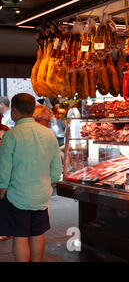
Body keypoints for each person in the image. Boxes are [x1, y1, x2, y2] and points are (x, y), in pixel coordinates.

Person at [0, 93, 62, 262]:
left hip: (16, 196)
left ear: (14, 111)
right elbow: (56, 170)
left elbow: (4, 170)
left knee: (20, 237)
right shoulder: (49, 134)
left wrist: (1, 189)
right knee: (37, 234)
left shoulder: (11, 136)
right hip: (41, 195)